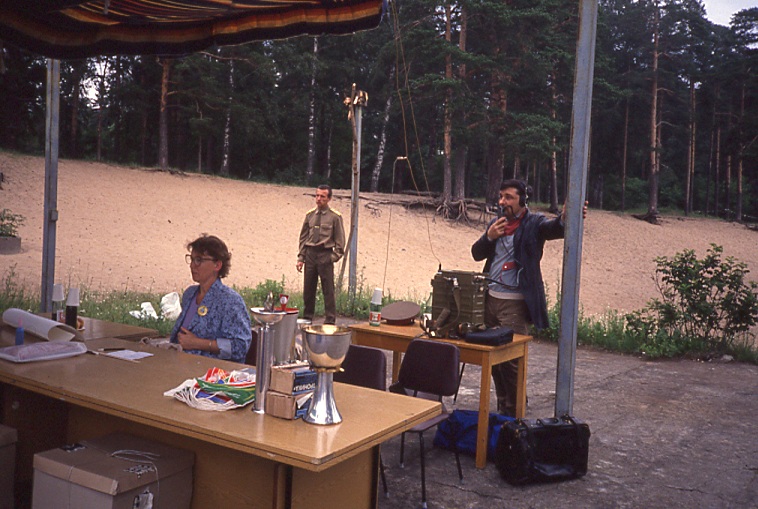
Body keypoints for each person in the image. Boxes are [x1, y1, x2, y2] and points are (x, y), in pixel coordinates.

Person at [471, 179, 586, 416]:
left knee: (511, 362)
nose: (503, 201)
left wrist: (568, 217)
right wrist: (489, 237)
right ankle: (503, 406)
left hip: (514, 304)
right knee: (493, 359)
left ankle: (515, 414)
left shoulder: (534, 223)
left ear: (523, 200)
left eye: (509, 197)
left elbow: (556, 229)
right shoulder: (497, 223)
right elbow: (476, 254)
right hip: (489, 301)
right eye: (501, 196)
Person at [170, 234, 251, 363]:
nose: (192, 265)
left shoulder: (230, 301)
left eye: (199, 260)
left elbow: (240, 347)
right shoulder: (189, 294)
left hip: (214, 374)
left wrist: (198, 343)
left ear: (217, 265)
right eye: (191, 259)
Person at [296, 185, 345, 325]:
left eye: (322, 196)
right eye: (317, 196)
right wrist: (301, 258)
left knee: (328, 290)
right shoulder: (310, 215)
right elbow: (303, 238)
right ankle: (307, 319)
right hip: (311, 254)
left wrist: (332, 258)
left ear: (329, 199)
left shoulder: (335, 217)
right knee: (308, 289)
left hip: (325, 254)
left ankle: (330, 320)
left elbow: (340, 242)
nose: (319, 199)